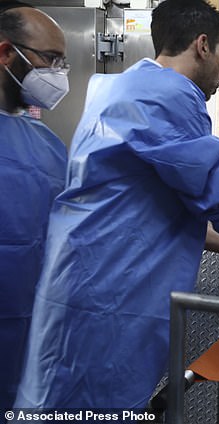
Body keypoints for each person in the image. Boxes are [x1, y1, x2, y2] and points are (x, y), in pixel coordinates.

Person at [14, 0, 219, 410]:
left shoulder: (125, 89)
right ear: (201, 45)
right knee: (84, 406)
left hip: (87, 289)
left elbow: (176, 217)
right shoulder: (166, 98)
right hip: (108, 302)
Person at [0, 1, 68, 416]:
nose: (59, 74)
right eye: (51, 60)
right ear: (6, 52)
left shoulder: (47, 144)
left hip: (29, 339)